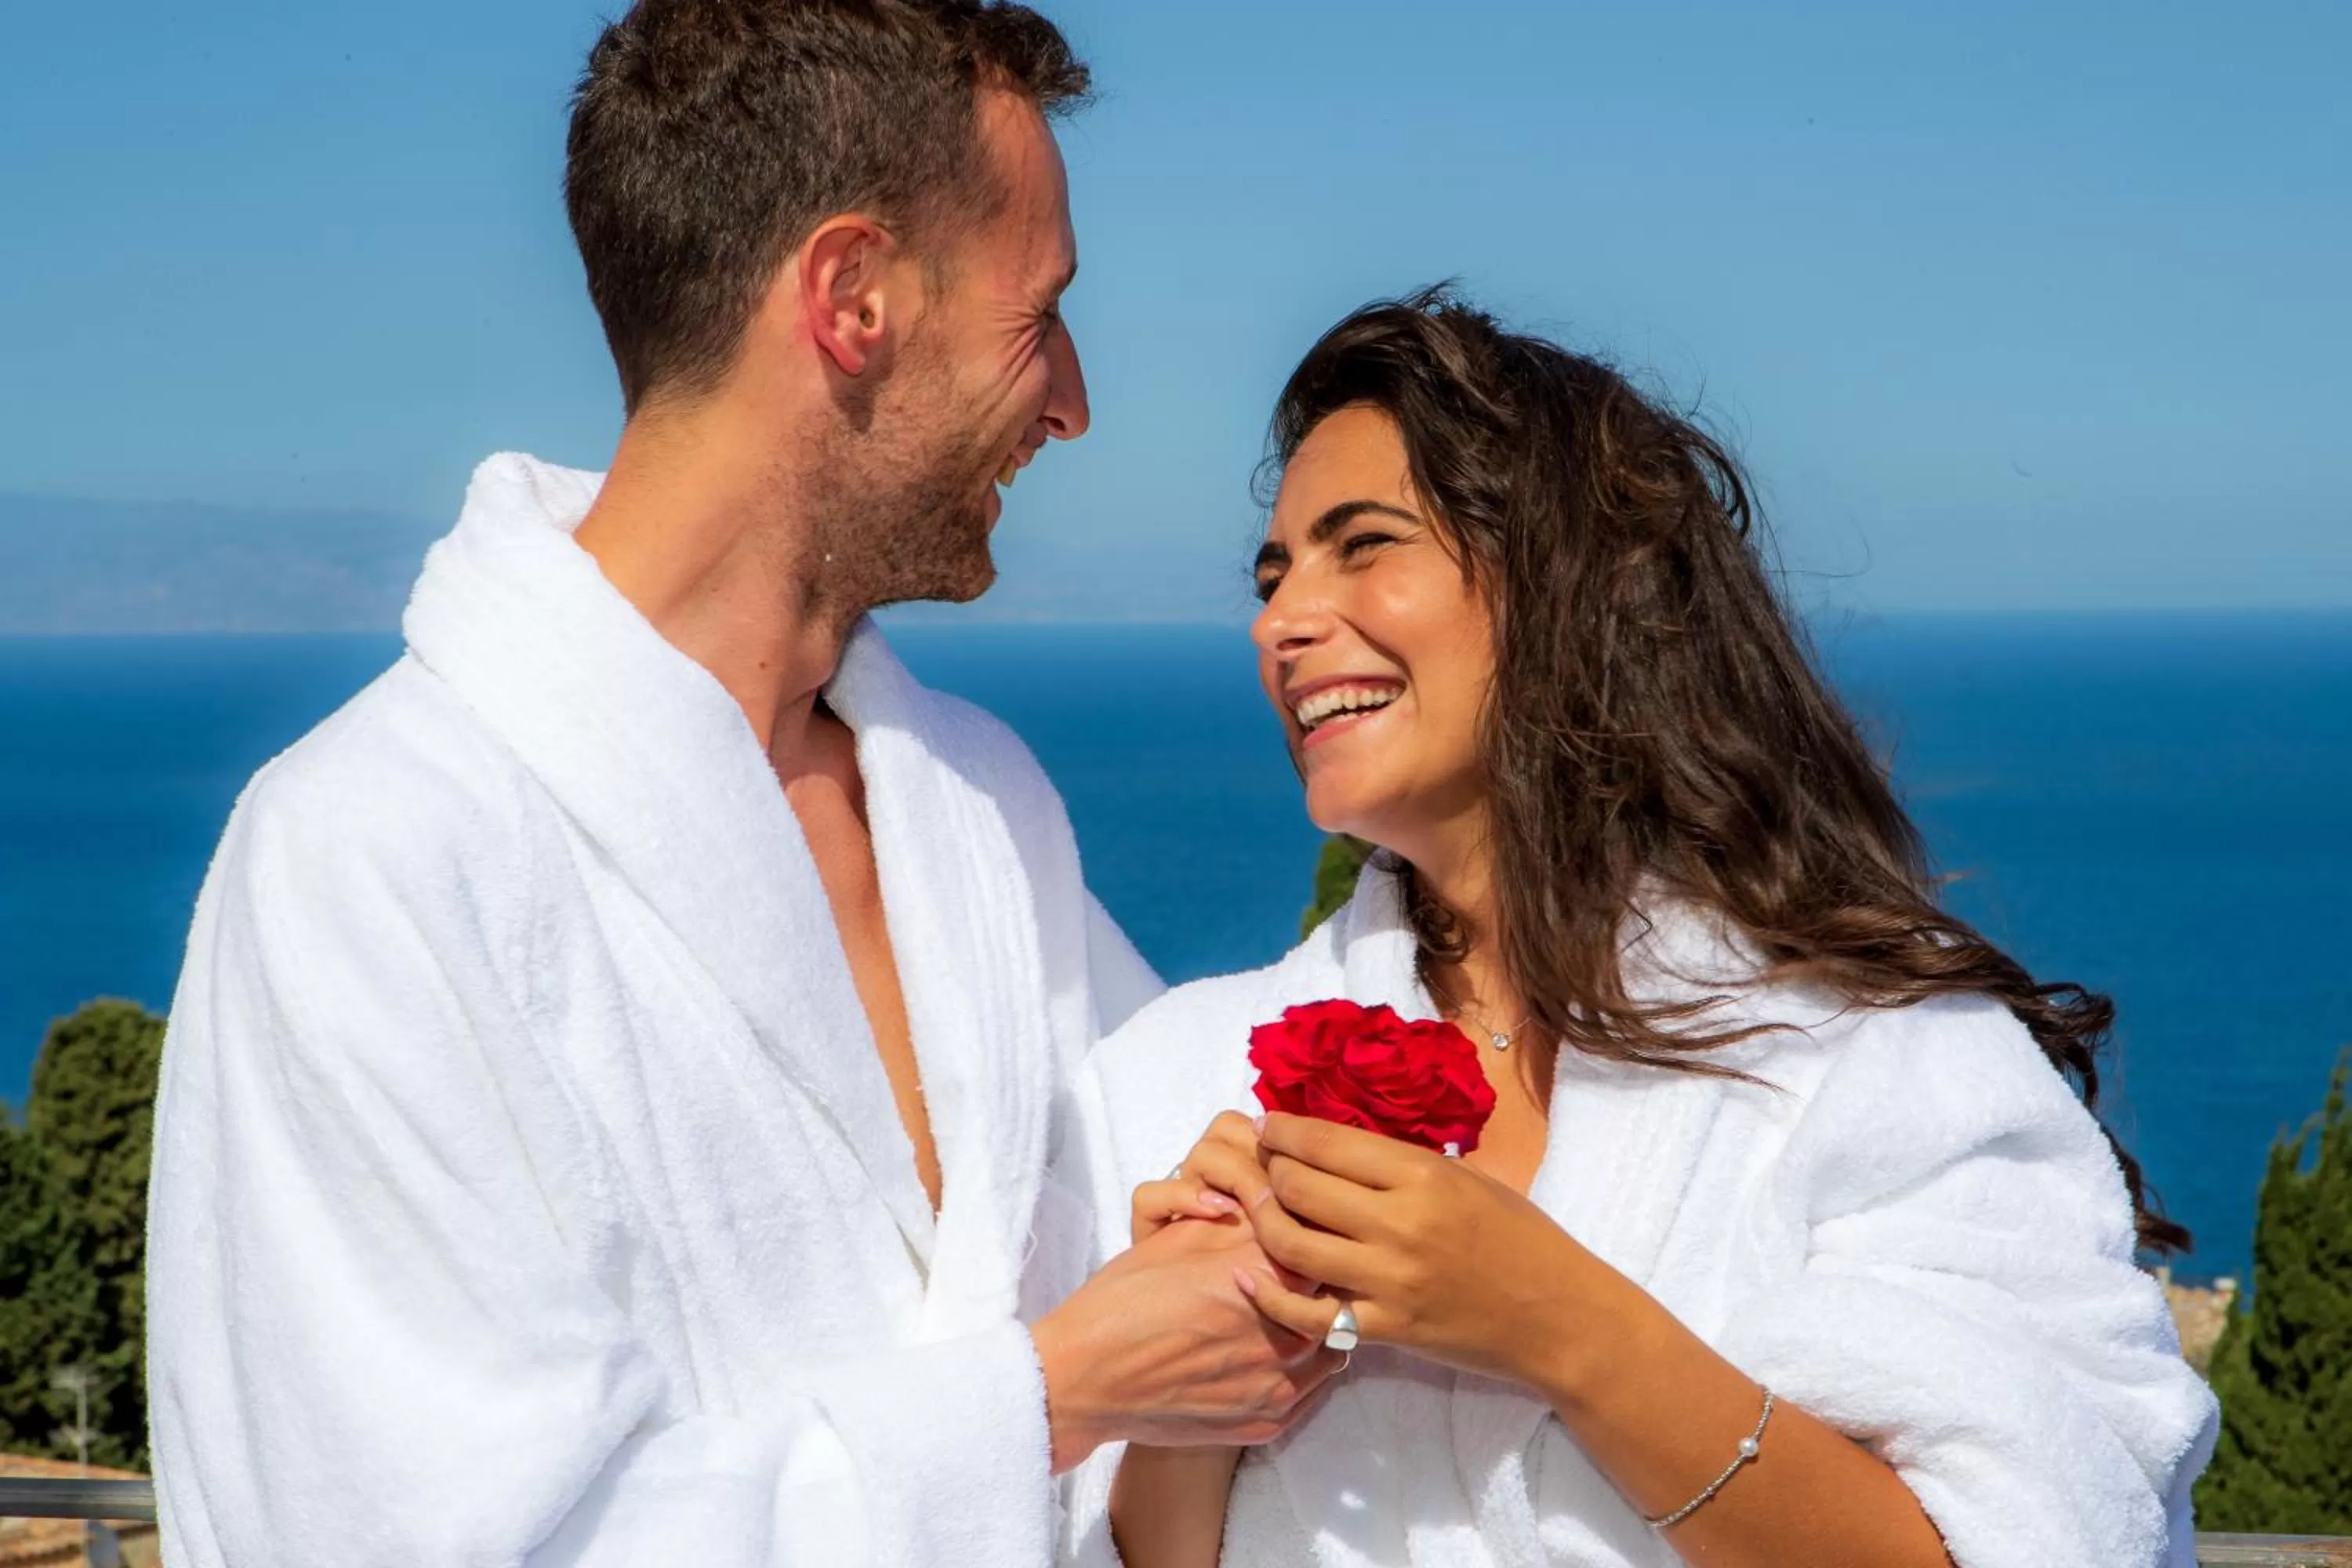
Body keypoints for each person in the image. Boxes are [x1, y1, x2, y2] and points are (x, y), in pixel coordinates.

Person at [143, 4, 1333, 1564]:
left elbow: (1203, 1144)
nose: (1073, 401)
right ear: (851, 295)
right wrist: (1045, 1394)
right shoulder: (371, 856)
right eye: (1039, 314)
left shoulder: (978, 807)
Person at [1076, 289, 2220, 1567]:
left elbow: (2039, 1533)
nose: (1279, 620)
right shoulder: (1182, 1073)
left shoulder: (1875, 1060)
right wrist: (1200, 1382)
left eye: (1364, 545)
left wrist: (1554, 1321)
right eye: (1275, 572)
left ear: (1566, 586)